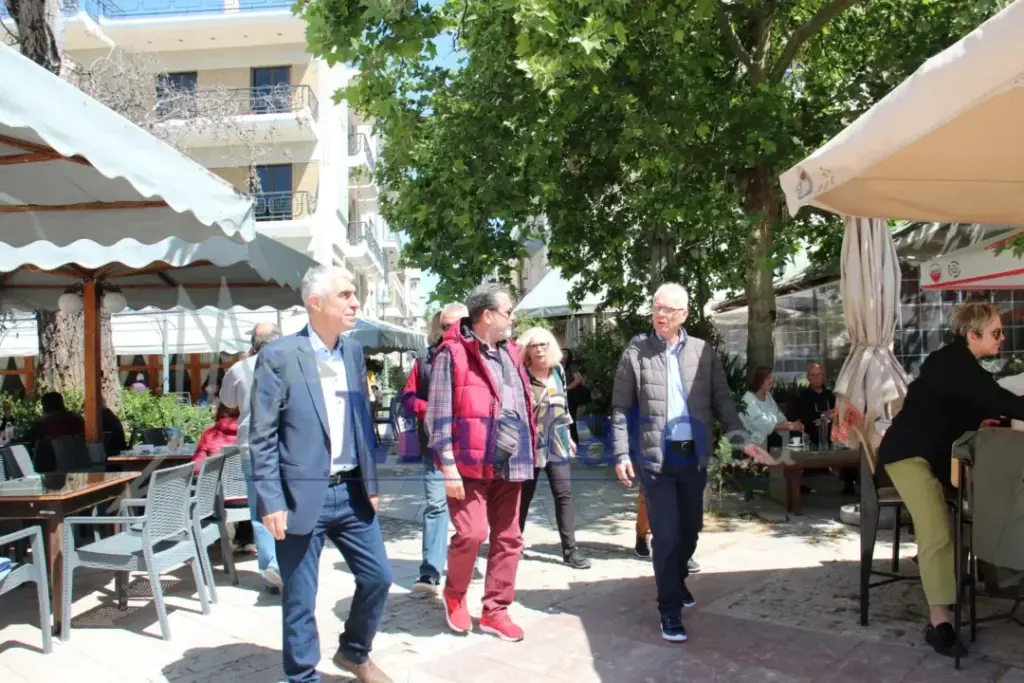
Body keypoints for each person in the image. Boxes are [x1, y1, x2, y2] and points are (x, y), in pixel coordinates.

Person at [250, 265, 393, 683]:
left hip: (351, 493)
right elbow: (262, 435)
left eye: (354, 294)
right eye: (345, 295)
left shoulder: (352, 351)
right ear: (316, 303)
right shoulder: (279, 355)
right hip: (298, 496)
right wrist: (270, 500)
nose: (355, 302)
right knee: (300, 598)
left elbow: (361, 421)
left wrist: (372, 482)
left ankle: (354, 652)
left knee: (379, 577)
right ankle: (302, 677)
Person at [612, 283, 771, 643]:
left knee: (691, 529)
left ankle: (677, 579)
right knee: (666, 535)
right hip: (655, 456)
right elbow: (620, 407)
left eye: (668, 309)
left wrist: (742, 440)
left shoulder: (702, 351)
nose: (660, 314)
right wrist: (621, 453)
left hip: (693, 454)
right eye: (656, 307)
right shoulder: (636, 352)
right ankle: (669, 609)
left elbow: (722, 400)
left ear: (683, 315)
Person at [878, 302, 1024, 659]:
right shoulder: (955, 363)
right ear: (972, 335)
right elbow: (999, 398)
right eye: (995, 332)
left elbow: (972, 404)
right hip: (908, 456)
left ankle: (978, 578)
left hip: (936, 458)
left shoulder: (958, 365)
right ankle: (939, 622)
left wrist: (981, 419)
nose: (1002, 338)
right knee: (937, 529)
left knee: (977, 508)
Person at [426, 282, 535, 642]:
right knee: (472, 533)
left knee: (509, 538)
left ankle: (495, 611)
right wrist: (448, 468)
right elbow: (438, 415)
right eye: (508, 311)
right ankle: (455, 595)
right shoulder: (452, 353)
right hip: (469, 464)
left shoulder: (512, 351)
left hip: (512, 461)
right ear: (487, 315)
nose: (512, 318)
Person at [401, 303, 469, 594]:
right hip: (436, 448)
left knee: (473, 511)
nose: (452, 330)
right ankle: (430, 571)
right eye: (445, 326)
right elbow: (407, 397)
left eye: (458, 324)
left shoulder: (481, 356)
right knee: (436, 505)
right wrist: (430, 409)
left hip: (473, 447)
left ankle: (465, 567)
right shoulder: (426, 358)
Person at [517, 327, 590, 569]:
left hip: (557, 440)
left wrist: (568, 434)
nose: (539, 350)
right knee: (523, 496)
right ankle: (513, 544)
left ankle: (570, 551)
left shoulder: (558, 370)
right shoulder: (520, 374)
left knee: (564, 494)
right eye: (533, 345)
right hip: (529, 444)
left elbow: (564, 406)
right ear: (526, 350)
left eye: (543, 345)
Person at [220, 322, 284, 590]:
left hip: (253, 447)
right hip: (287, 446)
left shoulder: (239, 368)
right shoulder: (292, 365)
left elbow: (227, 401)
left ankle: (272, 569)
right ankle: (288, 566)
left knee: (260, 512)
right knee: (289, 507)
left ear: (254, 344)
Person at [740, 366, 803, 449]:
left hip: (771, 436)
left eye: (771, 378)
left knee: (797, 434)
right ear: (759, 380)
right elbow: (764, 425)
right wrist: (790, 426)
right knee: (787, 437)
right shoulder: (748, 399)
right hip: (757, 440)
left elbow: (778, 416)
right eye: (768, 378)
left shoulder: (768, 395)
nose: (771, 381)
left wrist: (793, 424)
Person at [191, 402, 239, 475]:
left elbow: (197, 467)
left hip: (216, 480)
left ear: (221, 413)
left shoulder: (210, 434)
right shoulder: (254, 434)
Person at [560, 349, 586, 445]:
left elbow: (578, 380)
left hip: (570, 396)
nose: (562, 355)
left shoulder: (572, 367)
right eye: (561, 353)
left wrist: (566, 388)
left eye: (564, 353)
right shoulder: (557, 367)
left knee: (571, 419)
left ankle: (574, 441)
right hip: (561, 396)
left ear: (569, 356)